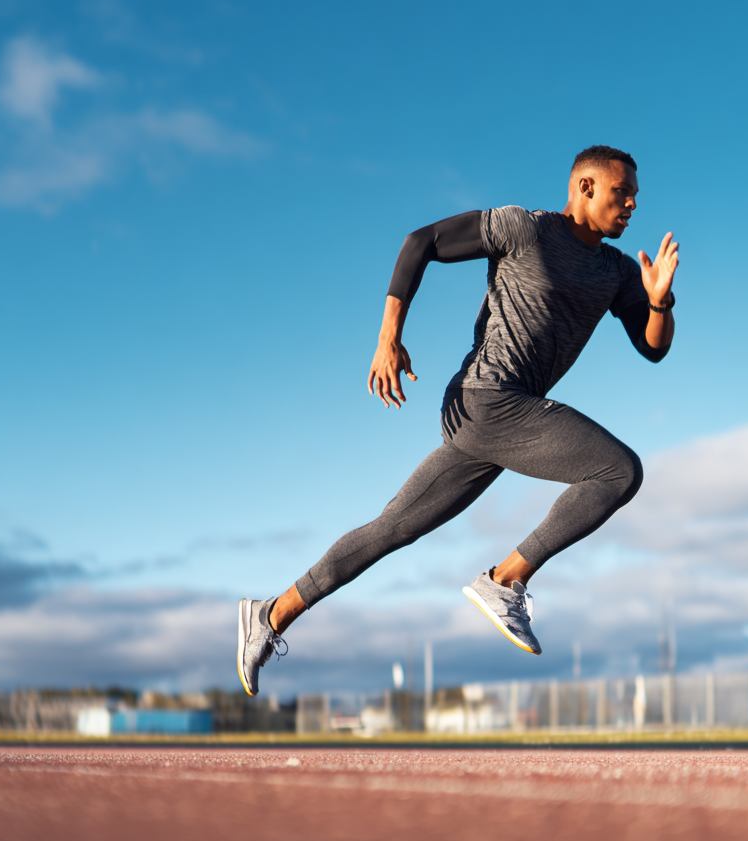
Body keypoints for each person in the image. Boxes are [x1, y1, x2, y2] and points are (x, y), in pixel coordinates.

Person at [237, 145, 678, 696]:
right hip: (488, 398)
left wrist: (658, 303)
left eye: (636, 193)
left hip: (499, 421)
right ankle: (505, 581)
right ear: (585, 188)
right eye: (623, 191)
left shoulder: (615, 271)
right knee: (618, 471)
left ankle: (270, 614)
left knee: (391, 529)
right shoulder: (524, 230)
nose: (633, 202)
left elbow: (653, 348)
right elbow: (420, 242)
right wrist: (387, 338)